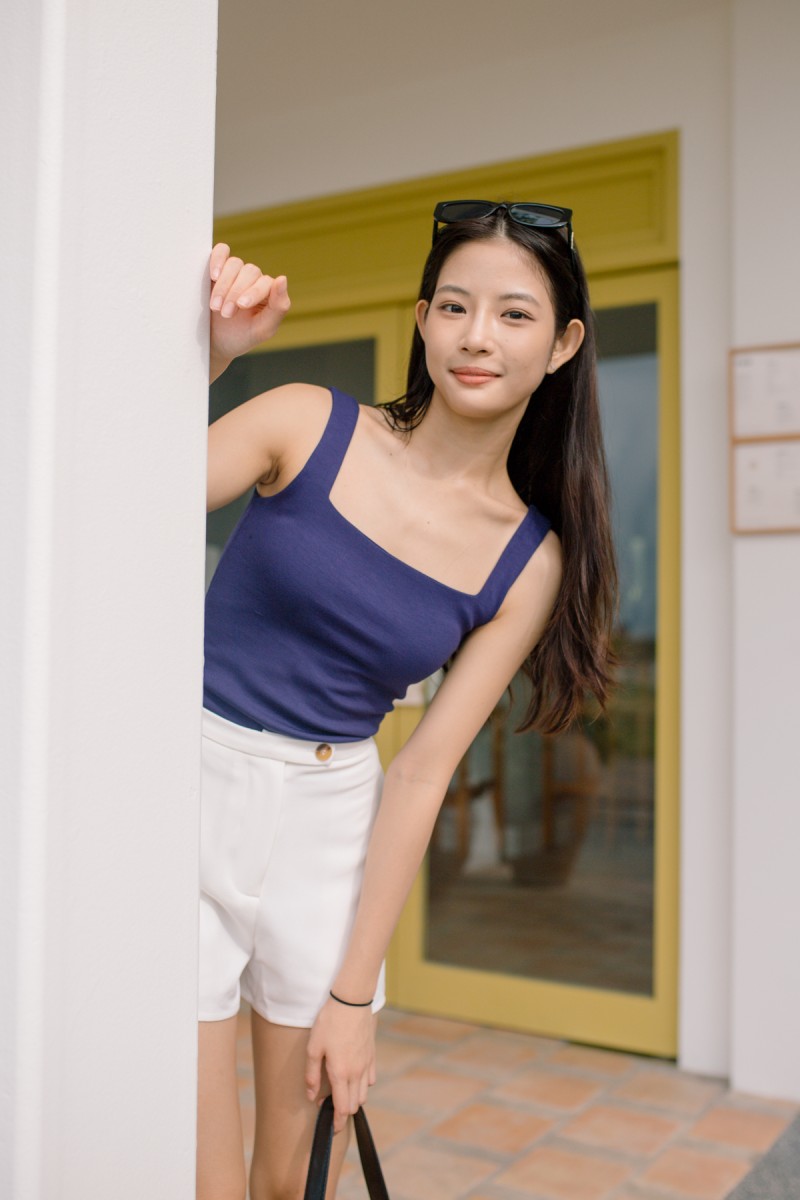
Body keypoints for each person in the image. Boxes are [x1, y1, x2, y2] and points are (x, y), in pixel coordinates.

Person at [198, 200, 616, 1200]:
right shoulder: (303, 421)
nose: (477, 337)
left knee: (291, 1183)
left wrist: (354, 996)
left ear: (561, 344)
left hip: (332, 821)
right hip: (193, 787)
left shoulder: (528, 560)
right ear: (422, 318)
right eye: (456, 307)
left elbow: (423, 771)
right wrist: (210, 360)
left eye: (514, 315)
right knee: (198, 1180)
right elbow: (105, 497)